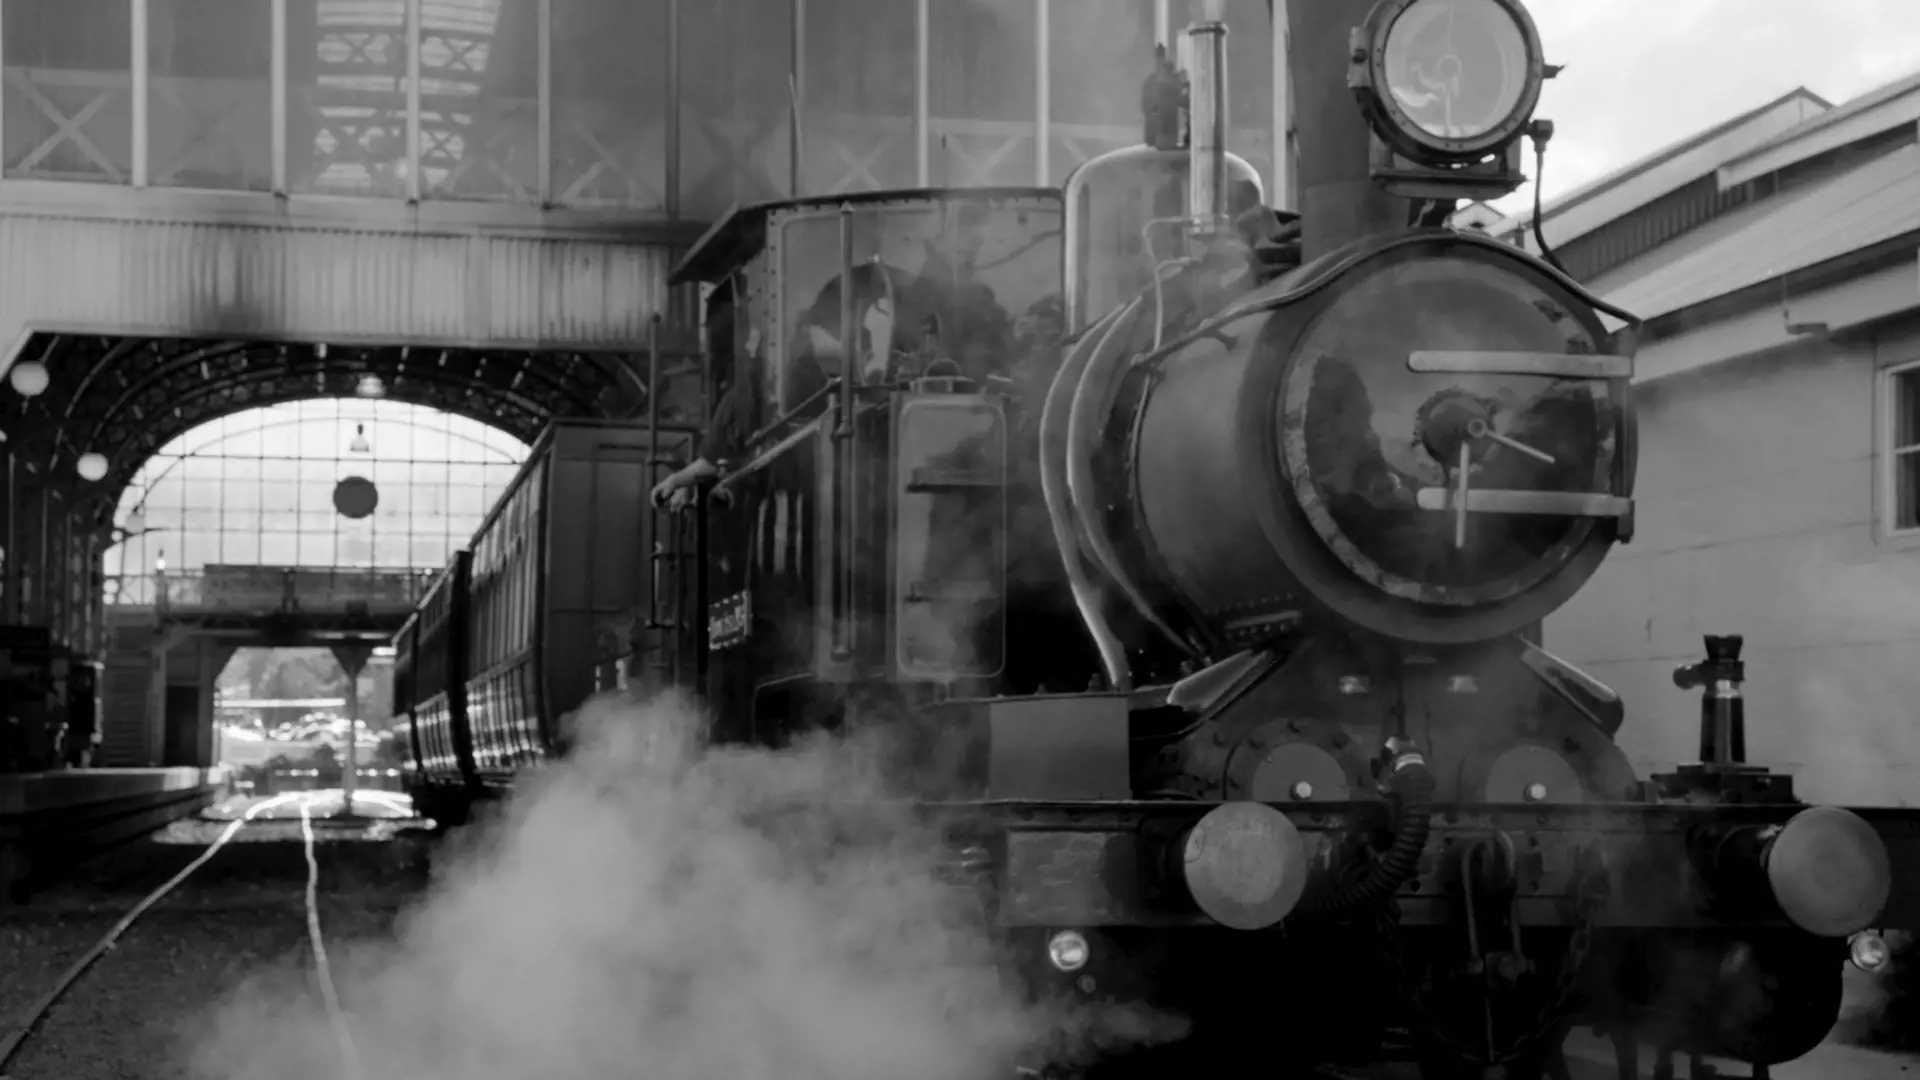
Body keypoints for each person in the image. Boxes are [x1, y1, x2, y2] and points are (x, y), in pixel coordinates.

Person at [651, 327, 761, 512]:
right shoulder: (739, 393)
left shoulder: (744, 394)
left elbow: (718, 455)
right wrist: (680, 481)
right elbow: (716, 453)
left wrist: (678, 480)